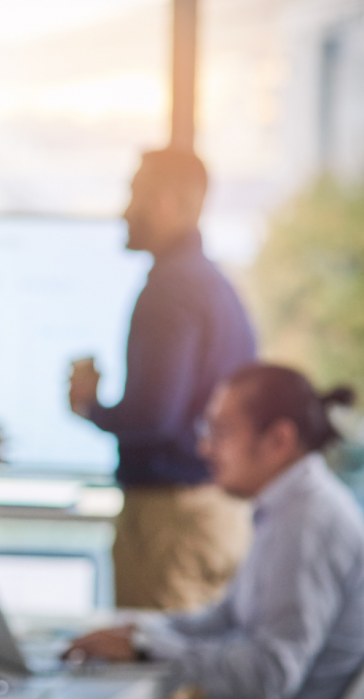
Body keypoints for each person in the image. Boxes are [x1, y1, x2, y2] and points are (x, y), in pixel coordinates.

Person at [66, 364, 364, 699]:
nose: (203, 448)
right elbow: (226, 619)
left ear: (279, 440)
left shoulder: (308, 525)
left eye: (220, 432)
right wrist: (140, 631)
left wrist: (149, 650)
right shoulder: (287, 509)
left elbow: (270, 674)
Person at [69, 148, 255, 611]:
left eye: (135, 195)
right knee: (199, 671)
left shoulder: (170, 288)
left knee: (158, 672)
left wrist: (90, 403)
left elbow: (153, 416)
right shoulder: (215, 284)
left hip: (170, 518)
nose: (125, 211)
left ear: (168, 203)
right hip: (215, 511)